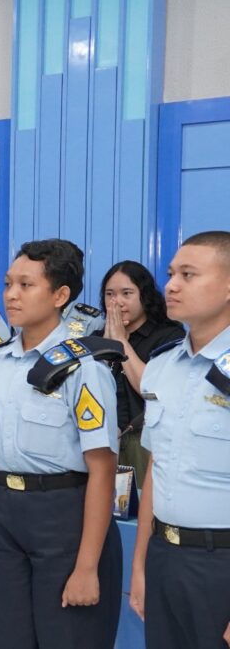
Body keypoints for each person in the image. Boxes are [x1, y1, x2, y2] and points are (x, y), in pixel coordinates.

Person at [0, 239, 123, 649]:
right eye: (8, 283)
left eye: (26, 285)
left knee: (68, 638)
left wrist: (87, 567)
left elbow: (103, 469)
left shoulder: (84, 368)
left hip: (63, 516)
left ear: (60, 295)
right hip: (3, 516)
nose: (11, 295)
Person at [130, 231, 230, 648]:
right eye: (171, 273)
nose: (170, 285)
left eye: (188, 275)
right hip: (165, 556)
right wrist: (140, 565)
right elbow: (158, 467)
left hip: (220, 564)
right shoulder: (161, 365)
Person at [93, 261, 183, 481]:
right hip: (101, 442)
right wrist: (107, 344)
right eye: (110, 294)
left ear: (145, 296)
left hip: (143, 442)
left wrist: (121, 342)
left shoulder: (168, 336)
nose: (117, 302)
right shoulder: (96, 338)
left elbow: (152, 390)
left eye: (127, 293)